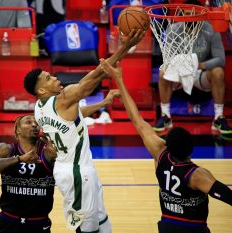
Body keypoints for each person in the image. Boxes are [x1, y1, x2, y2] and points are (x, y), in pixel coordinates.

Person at [23, 29, 145, 232]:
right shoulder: (64, 97)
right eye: (48, 78)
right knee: (87, 227)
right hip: (77, 172)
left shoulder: (39, 108)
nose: (54, 77)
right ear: (42, 90)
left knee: (101, 219)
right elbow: (95, 77)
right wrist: (125, 47)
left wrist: (104, 103)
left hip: (72, 168)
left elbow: (75, 114)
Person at [100, 58, 232, 233]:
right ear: (190, 149)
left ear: (168, 146)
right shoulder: (198, 174)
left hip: (167, 226)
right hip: (193, 229)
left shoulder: (161, 155)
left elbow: (137, 120)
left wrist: (119, 79)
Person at [0, 91, 118, 233]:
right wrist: (19, 159)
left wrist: (104, 103)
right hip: (9, 221)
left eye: (36, 123)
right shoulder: (6, 150)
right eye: (28, 122)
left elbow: (71, 117)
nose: (34, 125)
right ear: (17, 130)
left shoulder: (49, 151)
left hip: (39, 223)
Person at [153, 0, 232, 134]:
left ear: (201, 14)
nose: (190, 16)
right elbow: (167, 59)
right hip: (180, 73)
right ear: (182, 13)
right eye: (187, 13)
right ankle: (165, 116)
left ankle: (218, 117)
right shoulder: (174, 29)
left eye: (193, 14)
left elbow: (221, 59)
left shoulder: (211, 30)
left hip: (201, 74)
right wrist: (181, 64)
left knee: (218, 72)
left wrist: (202, 65)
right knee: (163, 71)